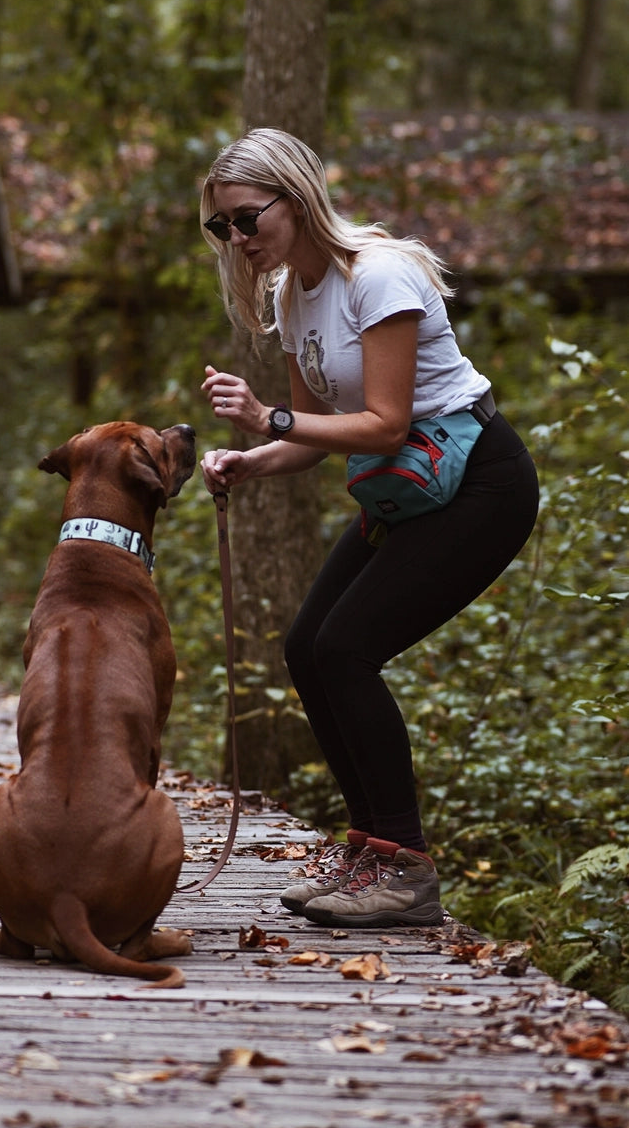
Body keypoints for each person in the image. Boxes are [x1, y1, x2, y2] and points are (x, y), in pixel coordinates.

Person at [198, 127, 539, 929]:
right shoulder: (292, 296)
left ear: (297, 196)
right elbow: (311, 433)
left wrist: (264, 414)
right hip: (409, 490)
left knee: (347, 649)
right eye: (224, 228)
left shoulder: (379, 276)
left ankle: (407, 868)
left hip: (479, 484)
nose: (239, 239)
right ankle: (369, 850)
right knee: (307, 648)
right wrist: (251, 457)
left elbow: (384, 425)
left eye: (248, 218)